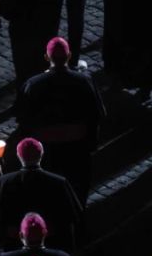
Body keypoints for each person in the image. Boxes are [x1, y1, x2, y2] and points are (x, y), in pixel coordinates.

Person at [14, 38, 105, 205]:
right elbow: (97, 114)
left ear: (47, 58)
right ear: (69, 56)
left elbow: (22, 118)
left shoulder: (33, 84)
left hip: (47, 150)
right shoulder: (84, 81)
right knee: (77, 192)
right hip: (77, 148)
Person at [0, 138, 83, 252]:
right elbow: (71, 217)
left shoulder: (4, 181)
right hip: (52, 243)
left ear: (19, 155)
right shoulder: (59, 182)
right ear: (41, 154)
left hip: (16, 244)